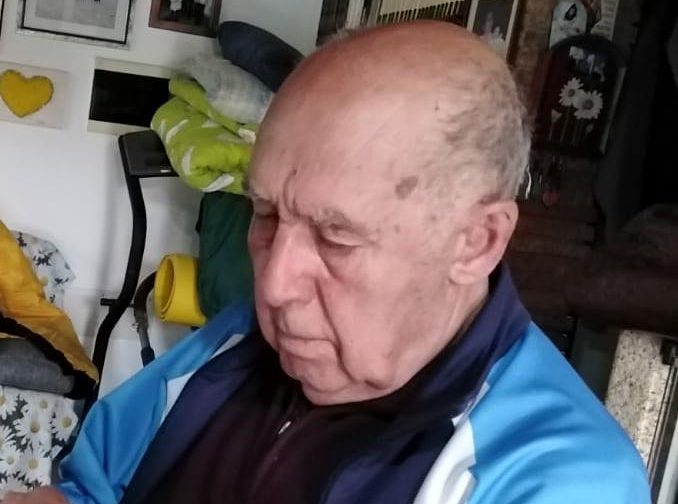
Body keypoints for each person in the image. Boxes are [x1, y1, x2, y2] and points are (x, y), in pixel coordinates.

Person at [4, 21, 650, 504]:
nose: (273, 284)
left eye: (337, 237)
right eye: (265, 214)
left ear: (476, 241)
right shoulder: (233, 344)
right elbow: (92, 489)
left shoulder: (561, 480)